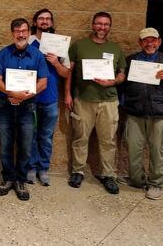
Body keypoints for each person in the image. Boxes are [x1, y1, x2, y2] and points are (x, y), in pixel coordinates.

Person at [65, 11, 126, 194]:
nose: (102, 27)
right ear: (93, 25)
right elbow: (69, 72)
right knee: (80, 138)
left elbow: (122, 73)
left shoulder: (115, 48)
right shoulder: (79, 46)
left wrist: (113, 81)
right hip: (83, 100)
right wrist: (67, 94)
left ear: (110, 27)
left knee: (108, 141)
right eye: (99, 23)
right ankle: (78, 172)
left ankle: (108, 175)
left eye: (106, 24)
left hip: (108, 102)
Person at [0, 18, 49, 201]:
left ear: (29, 32)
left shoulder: (37, 55)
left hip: (27, 107)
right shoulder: (3, 54)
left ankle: (21, 180)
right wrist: (11, 92)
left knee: (25, 147)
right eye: (17, 31)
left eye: (24, 31)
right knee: (5, 147)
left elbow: (43, 82)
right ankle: (8, 178)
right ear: (12, 33)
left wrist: (26, 95)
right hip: (5, 107)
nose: (21, 34)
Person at [26, 9, 69, 186]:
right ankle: (31, 168)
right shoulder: (27, 41)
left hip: (50, 99)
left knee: (46, 136)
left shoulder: (59, 44)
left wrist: (56, 63)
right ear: (35, 22)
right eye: (41, 19)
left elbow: (66, 73)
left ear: (51, 22)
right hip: (30, 97)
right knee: (30, 135)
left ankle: (43, 169)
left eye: (48, 19)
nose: (44, 21)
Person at [123, 27, 163, 200]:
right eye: (146, 40)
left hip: (159, 113)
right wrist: (125, 103)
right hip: (135, 113)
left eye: (153, 40)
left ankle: (156, 184)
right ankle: (137, 180)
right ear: (140, 43)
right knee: (133, 149)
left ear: (159, 41)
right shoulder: (131, 60)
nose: (150, 43)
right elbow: (123, 85)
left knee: (157, 151)